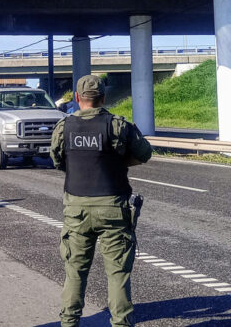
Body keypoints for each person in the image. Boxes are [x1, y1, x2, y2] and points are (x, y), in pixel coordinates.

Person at [50, 75, 153, 327]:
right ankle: (120, 323)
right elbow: (145, 153)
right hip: (113, 208)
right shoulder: (118, 125)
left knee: (75, 272)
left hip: (76, 208)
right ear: (103, 98)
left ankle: (69, 323)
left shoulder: (64, 127)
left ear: (76, 98)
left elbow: (57, 160)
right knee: (117, 274)